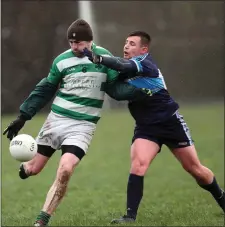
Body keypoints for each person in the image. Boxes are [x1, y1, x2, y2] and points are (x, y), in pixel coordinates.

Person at [3, 19, 144, 227]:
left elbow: (116, 87)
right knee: (33, 169)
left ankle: (42, 219)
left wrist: (142, 89)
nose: (75, 47)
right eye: (71, 43)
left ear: (91, 41)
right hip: (56, 121)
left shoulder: (104, 59)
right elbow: (45, 89)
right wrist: (22, 117)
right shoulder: (61, 61)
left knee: (66, 168)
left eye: (79, 44)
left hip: (83, 126)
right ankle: (27, 167)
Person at [83, 30, 225, 224]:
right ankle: (130, 217)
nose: (126, 46)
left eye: (132, 44)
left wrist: (98, 58)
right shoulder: (127, 70)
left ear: (144, 49)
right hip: (146, 128)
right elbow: (116, 83)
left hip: (170, 123)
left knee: (195, 169)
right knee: (138, 165)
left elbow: (120, 64)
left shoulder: (146, 64)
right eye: (125, 42)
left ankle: (222, 199)